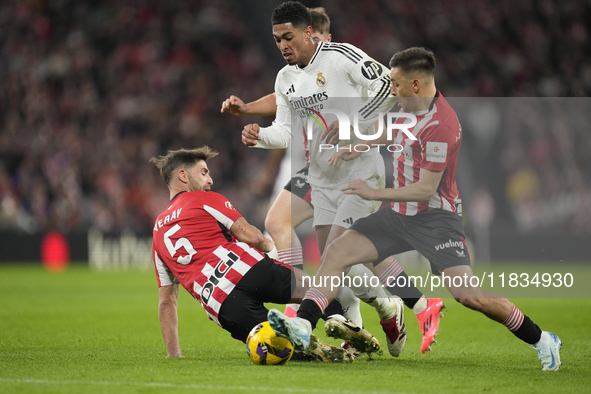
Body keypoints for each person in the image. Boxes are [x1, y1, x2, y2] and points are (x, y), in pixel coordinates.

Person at [267, 47, 563, 372]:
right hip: (397, 216)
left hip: (435, 220)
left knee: (468, 296)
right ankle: (303, 326)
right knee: (336, 253)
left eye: (395, 83)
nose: (390, 89)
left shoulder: (442, 125)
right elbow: (390, 130)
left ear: (417, 84)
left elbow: (425, 189)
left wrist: (373, 192)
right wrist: (357, 142)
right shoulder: (408, 106)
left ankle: (542, 338)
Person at [239, 1, 443, 357]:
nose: (283, 45)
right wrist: (260, 137)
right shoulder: (285, 79)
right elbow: (285, 133)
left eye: (288, 37)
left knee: (335, 255)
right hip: (323, 181)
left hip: (360, 173)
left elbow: (387, 88)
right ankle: (392, 308)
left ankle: (301, 321)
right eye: (276, 40)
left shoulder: (341, 57)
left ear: (307, 33)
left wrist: (353, 125)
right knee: (342, 267)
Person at [149, 146, 376, 363]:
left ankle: (303, 348)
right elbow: (251, 236)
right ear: (183, 176)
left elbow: (166, 301)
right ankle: (339, 320)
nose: (210, 180)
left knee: (278, 347)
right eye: (204, 172)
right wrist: (268, 245)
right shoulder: (203, 198)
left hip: (220, 303)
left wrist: (174, 354)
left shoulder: (158, 233)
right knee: (316, 291)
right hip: (245, 268)